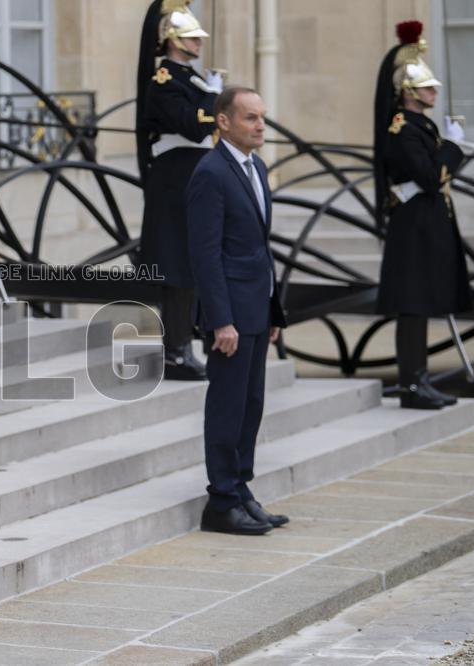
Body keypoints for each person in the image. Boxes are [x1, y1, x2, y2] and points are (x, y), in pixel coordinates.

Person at [187, 86, 288, 536]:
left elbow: (258, 248)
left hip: (255, 309)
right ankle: (222, 501)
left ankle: (242, 488)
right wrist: (221, 319)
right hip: (230, 314)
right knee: (228, 407)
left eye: (262, 117)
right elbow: (206, 255)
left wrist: (271, 311)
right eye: (250, 118)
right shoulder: (210, 172)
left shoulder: (256, 166)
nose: (260, 125)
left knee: (252, 405)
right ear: (223, 122)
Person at [373, 21, 471, 410]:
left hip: (427, 225)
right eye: (428, 88)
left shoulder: (419, 126)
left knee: (423, 304)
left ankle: (420, 379)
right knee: (413, 305)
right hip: (413, 228)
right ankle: (412, 383)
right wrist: (452, 148)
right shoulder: (403, 130)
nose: (434, 93)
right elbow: (430, 178)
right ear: (410, 93)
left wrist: (445, 145)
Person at [135, 0, 221, 380]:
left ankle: (188, 343)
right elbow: (195, 126)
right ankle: (175, 351)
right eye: (189, 36)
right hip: (174, 177)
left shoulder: (191, 79)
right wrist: (213, 97)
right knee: (176, 265)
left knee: (193, 263)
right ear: (172, 39)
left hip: (193, 173)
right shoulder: (166, 81)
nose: (197, 43)